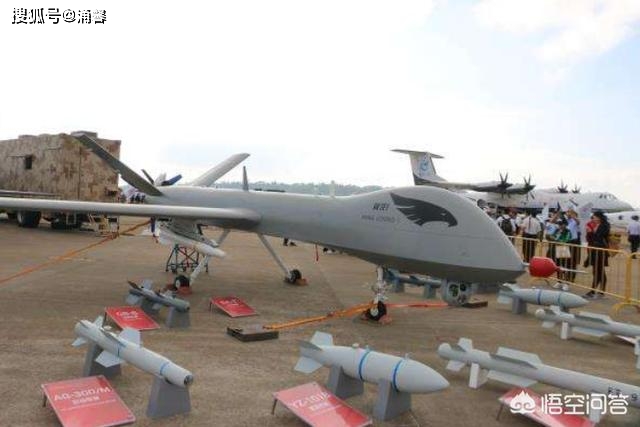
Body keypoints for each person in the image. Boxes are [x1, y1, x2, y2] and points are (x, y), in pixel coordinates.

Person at [586, 211, 610, 298]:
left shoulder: (605, 225)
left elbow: (600, 237)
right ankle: (599, 292)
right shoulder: (596, 225)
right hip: (595, 250)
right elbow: (591, 239)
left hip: (601, 251)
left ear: (599, 217)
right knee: (598, 271)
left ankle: (594, 291)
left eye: (594, 217)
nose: (593, 218)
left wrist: (592, 232)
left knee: (598, 271)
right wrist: (589, 232)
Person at [565, 209, 582, 281]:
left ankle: (571, 277)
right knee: (566, 260)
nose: (568, 214)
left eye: (570, 212)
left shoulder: (575, 221)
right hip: (566, 242)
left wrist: (573, 216)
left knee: (573, 261)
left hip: (574, 243)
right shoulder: (567, 221)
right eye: (567, 212)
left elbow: (578, 222)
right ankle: (566, 276)